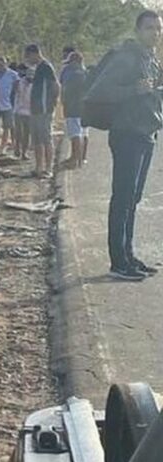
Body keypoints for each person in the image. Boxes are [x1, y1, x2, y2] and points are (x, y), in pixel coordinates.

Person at [83, 10, 163, 281]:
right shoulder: (126, 58)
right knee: (123, 198)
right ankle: (118, 261)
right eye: (150, 28)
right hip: (127, 134)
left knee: (134, 198)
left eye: (158, 28)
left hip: (146, 133)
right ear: (138, 30)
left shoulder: (151, 59)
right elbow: (99, 92)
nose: (155, 33)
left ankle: (128, 255)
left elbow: (152, 92)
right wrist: (133, 90)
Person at [24, 44, 60, 178]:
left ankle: (48, 168)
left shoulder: (46, 66)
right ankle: (38, 167)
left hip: (45, 109)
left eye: (29, 56)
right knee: (37, 139)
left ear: (35, 53)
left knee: (46, 138)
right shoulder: (37, 68)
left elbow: (55, 85)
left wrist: (53, 102)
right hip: (35, 109)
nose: (28, 59)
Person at [60, 51, 89, 169]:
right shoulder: (86, 74)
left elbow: (68, 93)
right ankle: (80, 158)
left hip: (73, 108)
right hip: (83, 109)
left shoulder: (75, 76)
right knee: (83, 134)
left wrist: (65, 103)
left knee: (75, 135)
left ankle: (75, 160)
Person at [0, 56, 20, 152]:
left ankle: (2, 148)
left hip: (7, 104)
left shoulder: (13, 74)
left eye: (1, 64)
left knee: (7, 127)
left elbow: (17, 87)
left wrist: (15, 100)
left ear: (5, 64)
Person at [14, 64, 33, 160]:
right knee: (18, 132)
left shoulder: (35, 85)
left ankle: (24, 152)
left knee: (27, 133)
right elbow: (14, 94)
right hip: (19, 110)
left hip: (30, 112)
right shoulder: (18, 82)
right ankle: (17, 147)